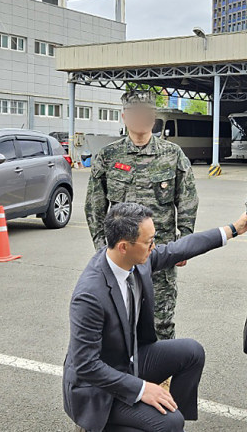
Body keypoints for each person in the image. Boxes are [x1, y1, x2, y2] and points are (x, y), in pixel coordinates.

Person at [64, 202, 247, 432]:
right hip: (97, 390)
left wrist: (233, 229)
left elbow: (180, 248)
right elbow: (86, 365)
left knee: (191, 353)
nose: (154, 247)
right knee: (169, 423)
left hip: (128, 361)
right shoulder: (90, 295)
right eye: (149, 242)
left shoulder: (136, 262)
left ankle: (164, 420)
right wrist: (142, 389)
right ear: (123, 246)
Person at [85, 89, 198, 341]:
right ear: (124, 117)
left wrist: (184, 243)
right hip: (121, 253)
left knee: (162, 319)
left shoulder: (172, 155)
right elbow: (94, 205)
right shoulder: (108, 156)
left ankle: (162, 375)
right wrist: (102, 247)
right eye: (134, 113)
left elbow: (187, 198)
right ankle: (128, 375)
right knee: (120, 316)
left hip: (161, 252)